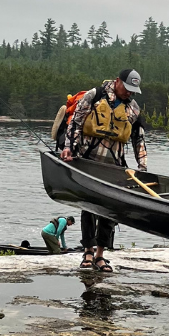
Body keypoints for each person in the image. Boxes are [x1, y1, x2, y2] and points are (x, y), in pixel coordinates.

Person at [61, 68, 147, 273]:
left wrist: (142, 166)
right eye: (127, 88)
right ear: (117, 81)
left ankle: (100, 255)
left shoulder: (133, 109)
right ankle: (88, 253)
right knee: (89, 207)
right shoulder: (95, 96)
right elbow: (76, 122)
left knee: (110, 209)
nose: (129, 92)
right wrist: (68, 148)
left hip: (114, 165)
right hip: (87, 160)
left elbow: (139, 138)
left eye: (133, 90)